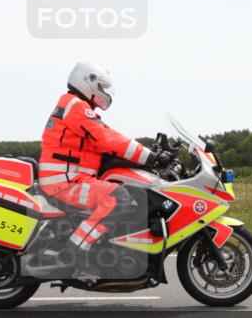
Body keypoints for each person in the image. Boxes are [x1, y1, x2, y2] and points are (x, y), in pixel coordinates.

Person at [39, 61, 168, 253]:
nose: (105, 92)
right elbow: (107, 138)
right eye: (102, 87)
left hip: (69, 178)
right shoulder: (76, 106)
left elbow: (105, 138)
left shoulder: (74, 105)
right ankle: (74, 250)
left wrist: (143, 154)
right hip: (66, 181)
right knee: (119, 199)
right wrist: (151, 157)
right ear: (88, 82)